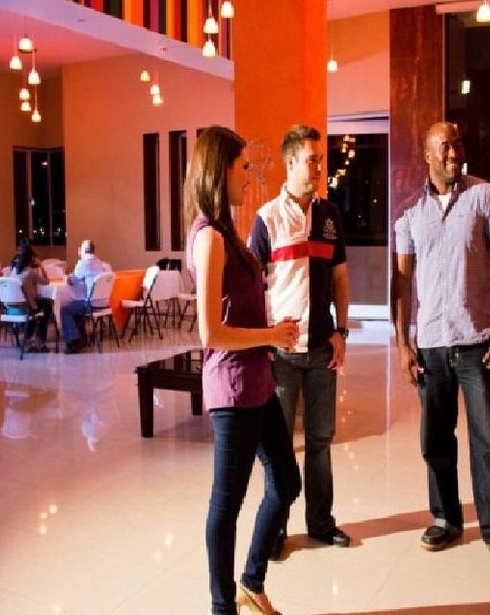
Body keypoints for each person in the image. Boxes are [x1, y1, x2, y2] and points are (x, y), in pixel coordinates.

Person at [391, 121, 490, 575]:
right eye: (445, 147)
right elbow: (401, 281)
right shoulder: (409, 213)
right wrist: (402, 343)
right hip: (431, 344)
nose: (455, 153)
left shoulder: (485, 196)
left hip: (477, 341)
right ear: (428, 155)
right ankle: (446, 518)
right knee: (435, 440)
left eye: (458, 144)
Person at [186, 126, 301, 615]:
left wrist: (271, 332)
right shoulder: (210, 238)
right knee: (226, 504)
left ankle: (251, 580)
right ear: (220, 171)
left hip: (257, 382)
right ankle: (223, 606)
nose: (248, 176)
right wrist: (270, 335)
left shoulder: (228, 234)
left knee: (286, 482)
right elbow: (210, 332)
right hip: (233, 388)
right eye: (242, 167)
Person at [248, 124, 351, 558]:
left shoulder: (330, 216)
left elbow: (340, 278)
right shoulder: (267, 218)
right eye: (311, 159)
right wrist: (263, 341)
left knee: (321, 441)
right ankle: (276, 529)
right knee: (280, 447)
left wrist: (342, 331)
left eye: (320, 159)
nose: (318, 166)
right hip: (283, 354)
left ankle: (321, 523)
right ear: (290, 162)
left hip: (323, 348)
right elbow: (253, 287)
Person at [60, 239, 106, 353]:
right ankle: (81, 338)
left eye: (80, 248)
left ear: (84, 250)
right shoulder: (100, 263)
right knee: (76, 306)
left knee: (65, 310)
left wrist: (66, 277)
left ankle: (73, 341)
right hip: (104, 303)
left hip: (91, 304)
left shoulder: (84, 263)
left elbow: (72, 281)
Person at [9, 244, 53, 352]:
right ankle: (40, 340)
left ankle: (28, 337)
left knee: (36, 308)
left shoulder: (13, 272)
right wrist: (41, 266)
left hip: (11, 309)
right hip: (27, 308)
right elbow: (47, 282)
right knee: (46, 305)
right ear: (31, 260)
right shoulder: (31, 272)